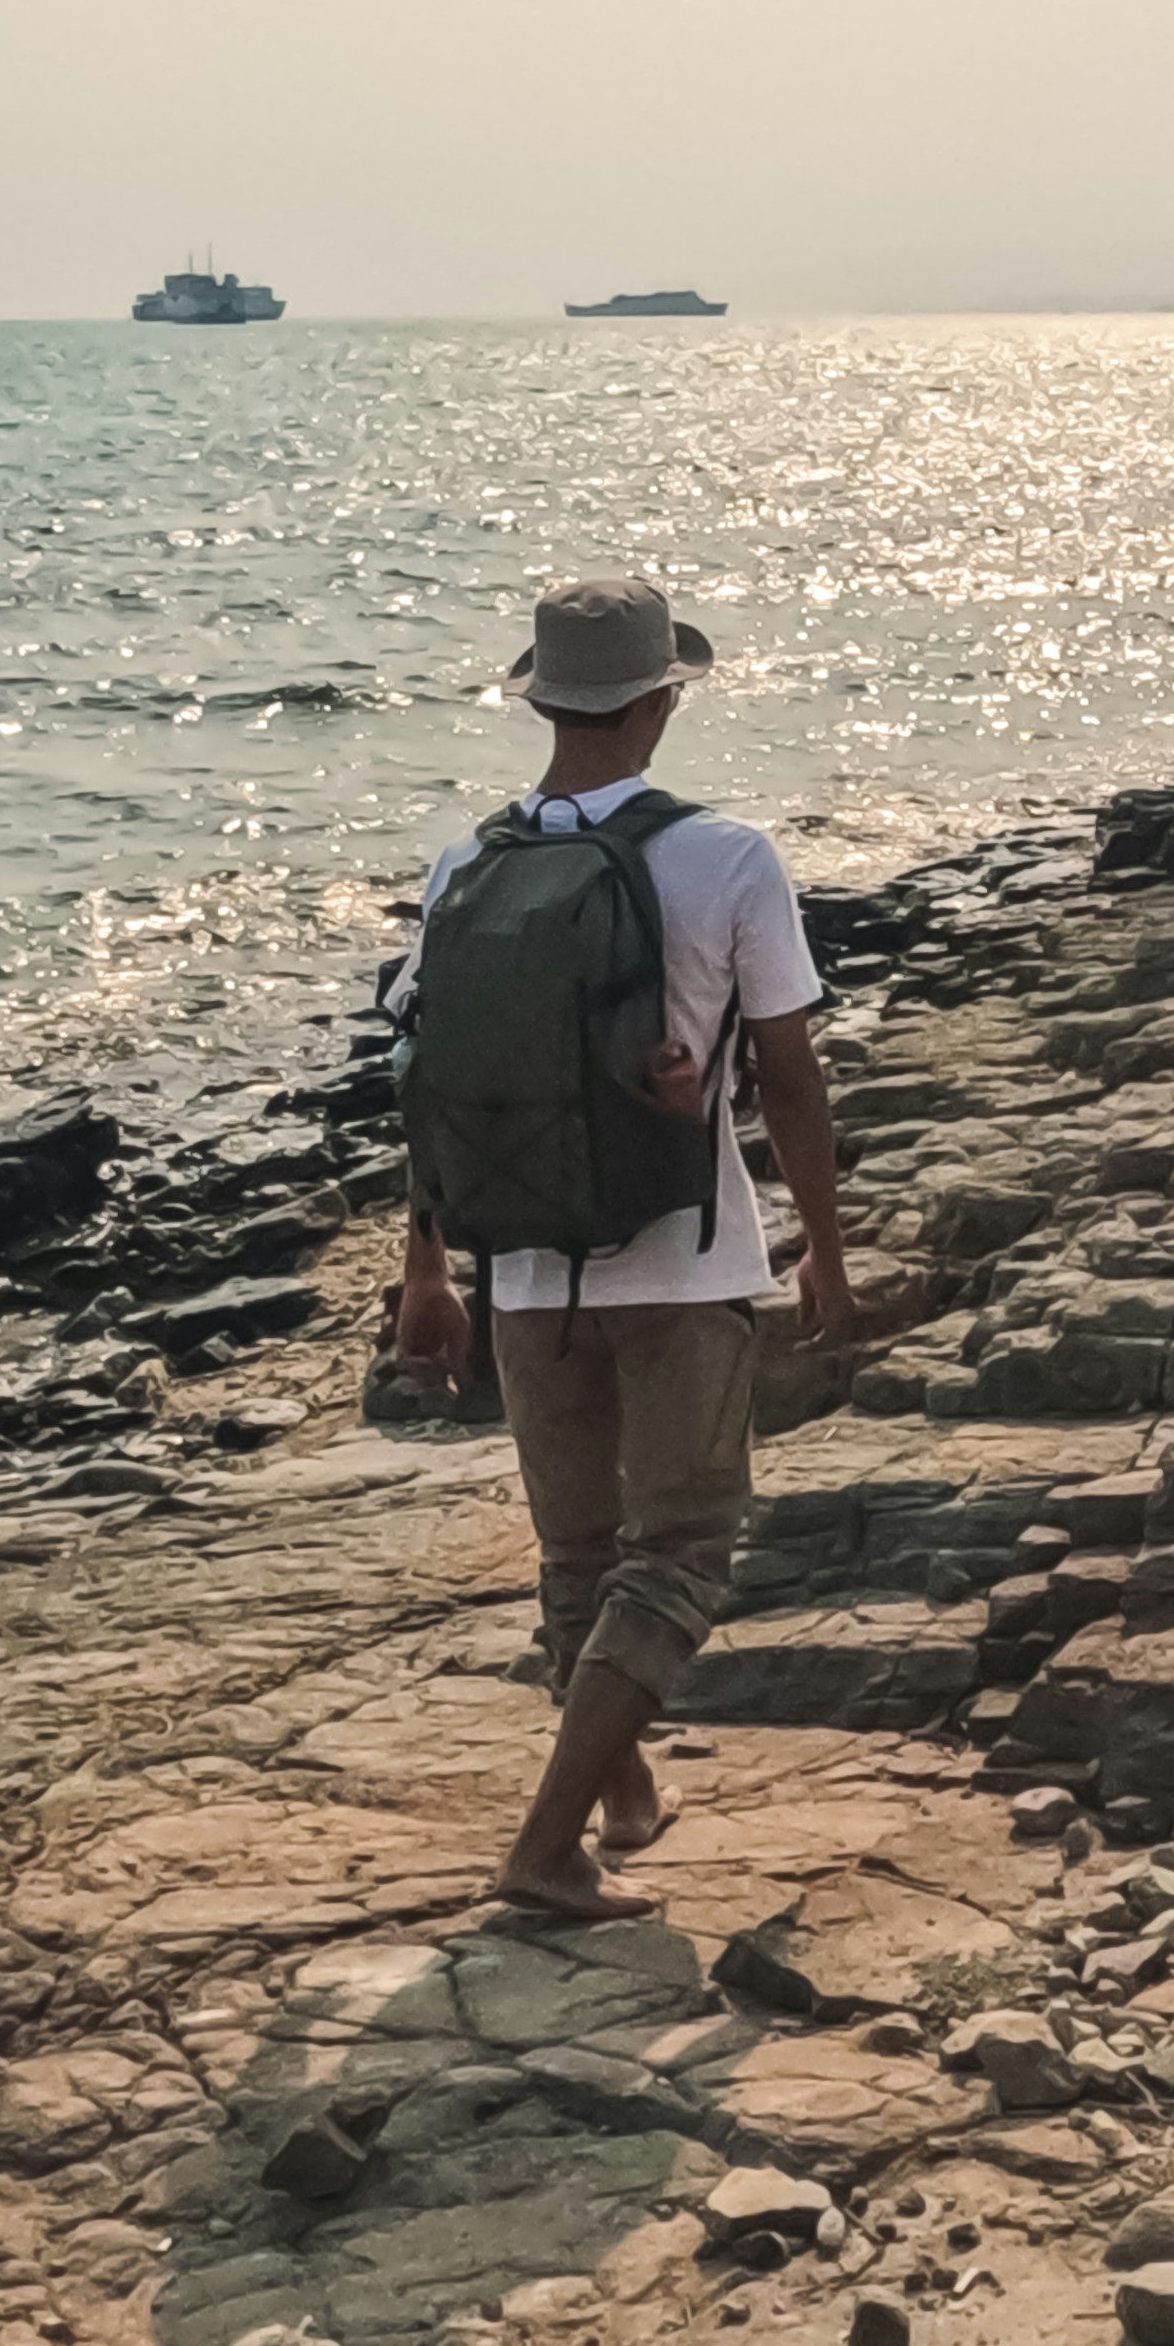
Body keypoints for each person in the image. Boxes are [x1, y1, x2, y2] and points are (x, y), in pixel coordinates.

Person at [391, 574, 859, 1923]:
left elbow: (430, 1078)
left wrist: (425, 1267)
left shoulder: (465, 865)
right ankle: (545, 1847)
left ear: (539, 699)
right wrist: (818, 1249)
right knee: (682, 1551)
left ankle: (622, 1788)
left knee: (575, 1555)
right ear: (660, 699)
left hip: (523, 1267)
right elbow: (787, 1079)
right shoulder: (725, 858)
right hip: (687, 1262)